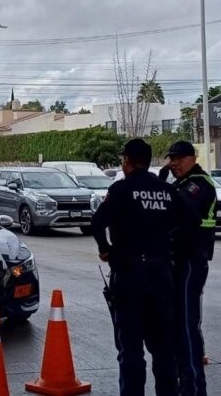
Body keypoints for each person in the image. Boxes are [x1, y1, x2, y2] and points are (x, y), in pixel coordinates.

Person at [91, 138, 191, 396]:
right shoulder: (167, 191)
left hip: (129, 276)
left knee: (131, 350)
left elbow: (97, 222)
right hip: (161, 275)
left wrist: (105, 249)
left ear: (126, 161)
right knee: (163, 350)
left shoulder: (122, 189)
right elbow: (189, 218)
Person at [167, 141, 216, 396]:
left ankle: (195, 390)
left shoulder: (199, 184)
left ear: (192, 158)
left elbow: (175, 210)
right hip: (177, 263)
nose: (173, 163)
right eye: (171, 158)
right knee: (176, 327)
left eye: (179, 158)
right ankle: (183, 386)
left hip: (191, 262)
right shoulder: (180, 184)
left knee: (187, 326)